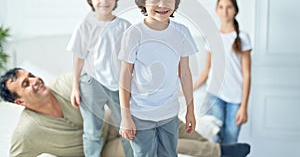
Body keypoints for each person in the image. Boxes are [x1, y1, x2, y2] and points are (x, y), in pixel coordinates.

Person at [0, 68, 251, 157]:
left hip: (113, 124)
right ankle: (218, 152)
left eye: (30, 75)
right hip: (102, 151)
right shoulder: (27, 132)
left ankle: (212, 149)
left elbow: (102, 83)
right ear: (20, 102)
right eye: (25, 84)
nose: (34, 80)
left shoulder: (66, 83)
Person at [118, 0, 198, 157]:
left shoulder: (182, 33)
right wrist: (125, 116)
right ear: (142, 1)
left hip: (169, 113)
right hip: (140, 113)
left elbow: (185, 73)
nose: (162, 4)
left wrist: (190, 111)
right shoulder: (134, 34)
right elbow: (125, 75)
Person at [66, 0, 132, 157]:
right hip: (90, 82)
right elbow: (78, 58)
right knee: (92, 130)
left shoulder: (124, 26)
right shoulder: (85, 26)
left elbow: (129, 61)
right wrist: (75, 87)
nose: (104, 0)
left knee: (126, 127)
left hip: (117, 84)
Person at [193, 0, 252, 144]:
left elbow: (246, 74)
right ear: (216, 10)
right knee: (215, 141)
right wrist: (186, 90)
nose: (225, 11)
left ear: (235, 10)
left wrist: (244, 106)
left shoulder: (242, 38)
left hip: (235, 99)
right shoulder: (212, 37)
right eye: (221, 7)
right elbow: (206, 71)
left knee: (230, 141)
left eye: (229, 7)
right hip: (215, 96)